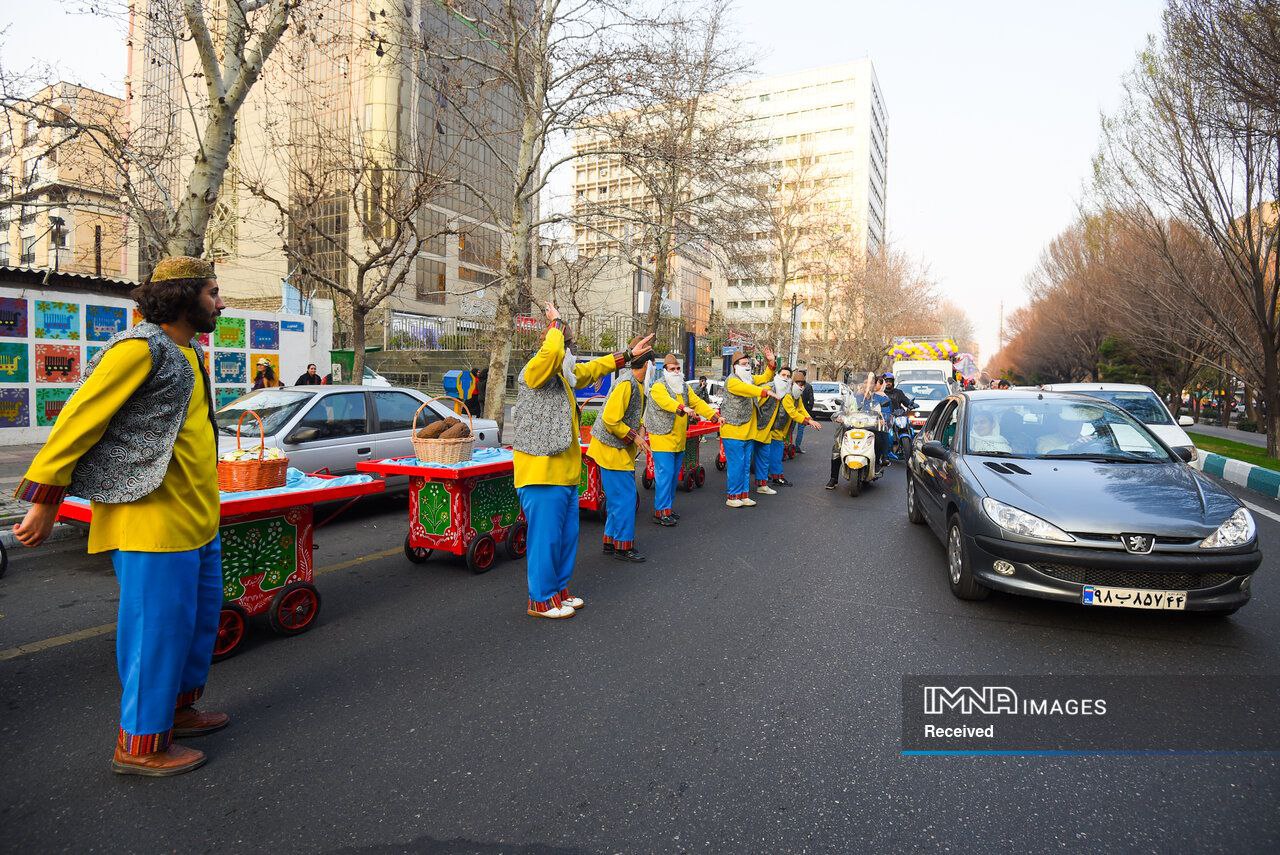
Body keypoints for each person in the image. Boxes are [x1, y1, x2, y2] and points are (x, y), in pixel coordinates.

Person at [12, 256, 227, 777]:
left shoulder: (189, 350)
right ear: (183, 296)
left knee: (195, 627)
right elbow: (78, 420)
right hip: (150, 521)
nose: (222, 303)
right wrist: (47, 501)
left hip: (197, 517)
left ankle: (177, 713)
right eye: (213, 293)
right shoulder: (138, 348)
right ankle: (139, 744)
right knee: (155, 632)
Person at [512, 301, 654, 619]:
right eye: (567, 343)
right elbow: (551, 355)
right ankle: (541, 599)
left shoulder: (563, 377)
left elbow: (594, 368)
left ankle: (559, 591)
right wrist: (557, 323)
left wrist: (629, 355)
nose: (570, 351)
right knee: (545, 539)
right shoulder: (535, 371)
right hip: (540, 473)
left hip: (564, 474)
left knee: (565, 538)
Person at [586, 352, 651, 561]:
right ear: (647, 365)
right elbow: (611, 419)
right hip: (612, 449)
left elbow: (631, 415)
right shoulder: (627, 383)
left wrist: (640, 429)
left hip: (613, 448)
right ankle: (623, 546)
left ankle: (611, 540)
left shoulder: (636, 383)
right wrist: (635, 437)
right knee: (625, 499)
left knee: (616, 499)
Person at [646, 353, 720, 525]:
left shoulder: (684, 388)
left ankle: (667, 509)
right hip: (662, 438)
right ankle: (660, 512)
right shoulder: (658, 386)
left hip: (678, 440)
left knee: (672, 477)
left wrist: (714, 416)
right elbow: (665, 402)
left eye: (678, 368)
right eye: (672, 369)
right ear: (664, 370)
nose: (676, 371)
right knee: (665, 476)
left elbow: (698, 403)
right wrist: (682, 408)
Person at [718, 347, 776, 508]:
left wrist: (771, 362)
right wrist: (764, 392)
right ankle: (732, 496)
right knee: (736, 465)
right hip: (733, 431)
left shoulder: (749, 379)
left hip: (749, 432)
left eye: (748, 363)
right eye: (744, 364)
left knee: (744, 466)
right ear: (735, 366)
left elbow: (765, 376)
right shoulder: (733, 381)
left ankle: (744, 495)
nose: (748, 366)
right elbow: (748, 390)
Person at [759, 367, 820, 488]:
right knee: (775, 453)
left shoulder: (797, 397)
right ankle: (776, 477)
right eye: (798, 383)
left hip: (782, 430)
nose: (800, 386)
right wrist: (808, 421)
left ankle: (769, 476)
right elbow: (793, 413)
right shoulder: (787, 396)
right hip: (776, 429)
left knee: (772, 454)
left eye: (802, 384)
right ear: (792, 383)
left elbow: (801, 409)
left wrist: (810, 419)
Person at [827, 373, 889, 489]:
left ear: (875, 385)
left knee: (880, 439)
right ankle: (833, 478)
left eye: (871, 382)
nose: (867, 385)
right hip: (851, 427)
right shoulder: (853, 397)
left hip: (870, 429)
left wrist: (882, 419)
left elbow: (885, 412)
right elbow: (843, 409)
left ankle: (876, 464)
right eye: (865, 382)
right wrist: (840, 416)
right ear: (861, 384)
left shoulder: (879, 398)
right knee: (837, 447)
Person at [793, 370, 815, 453]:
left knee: (790, 429)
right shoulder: (808, 386)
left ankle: (787, 446)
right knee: (800, 430)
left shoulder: (793, 385)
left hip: (794, 410)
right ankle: (797, 446)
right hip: (803, 411)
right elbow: (811, 399)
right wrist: (808, 410)